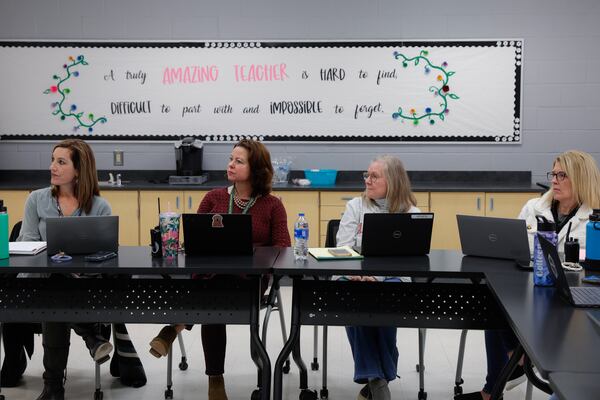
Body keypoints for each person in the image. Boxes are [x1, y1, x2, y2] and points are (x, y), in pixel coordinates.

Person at [149, 139, 291, 400]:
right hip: (209, 276)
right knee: (212, 293)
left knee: (211, 297)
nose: (231, 164)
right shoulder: (213, 197)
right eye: (230, 159)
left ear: (256, 168)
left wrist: (261, 260)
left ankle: (177, 326)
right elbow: (191, 241)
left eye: (239, 161)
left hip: (251, 281)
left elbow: (283, 249)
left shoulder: (272, 204)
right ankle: (215, 380)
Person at [455, 150, 600, 400]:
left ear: (581, 178)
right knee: (495, 303)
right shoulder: (535, 207)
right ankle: (511, 366)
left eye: (562, 175)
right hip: (531, 285)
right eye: (553, 173)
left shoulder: (595, 217)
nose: (554, 180)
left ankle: (508, 374)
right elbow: (514, 247)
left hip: (571, 295)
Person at [17, 139, 146, 400]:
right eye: (53, 160)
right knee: (56, 290)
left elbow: (108, 254)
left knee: (59, 298)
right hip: (43, 281)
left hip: (84, 284)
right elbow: (26, 244)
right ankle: (92, 337)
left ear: (79, 170)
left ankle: (53, 387)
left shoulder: (99, 206)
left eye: (61, 162)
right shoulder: (36, 199)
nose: (52, 166)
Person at [336, 155, 420, 400]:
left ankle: (374, 378)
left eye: (374, 176)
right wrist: (358, 274)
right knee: (357, 299)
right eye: (367, 175)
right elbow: (343, 248)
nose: (367, 181)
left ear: (392, 181)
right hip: (352, 277)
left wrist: (379, 277)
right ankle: (378, 379)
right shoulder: (355, 206)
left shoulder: (411, 213)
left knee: (384, 298)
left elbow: (410, 260)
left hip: (392, 280)